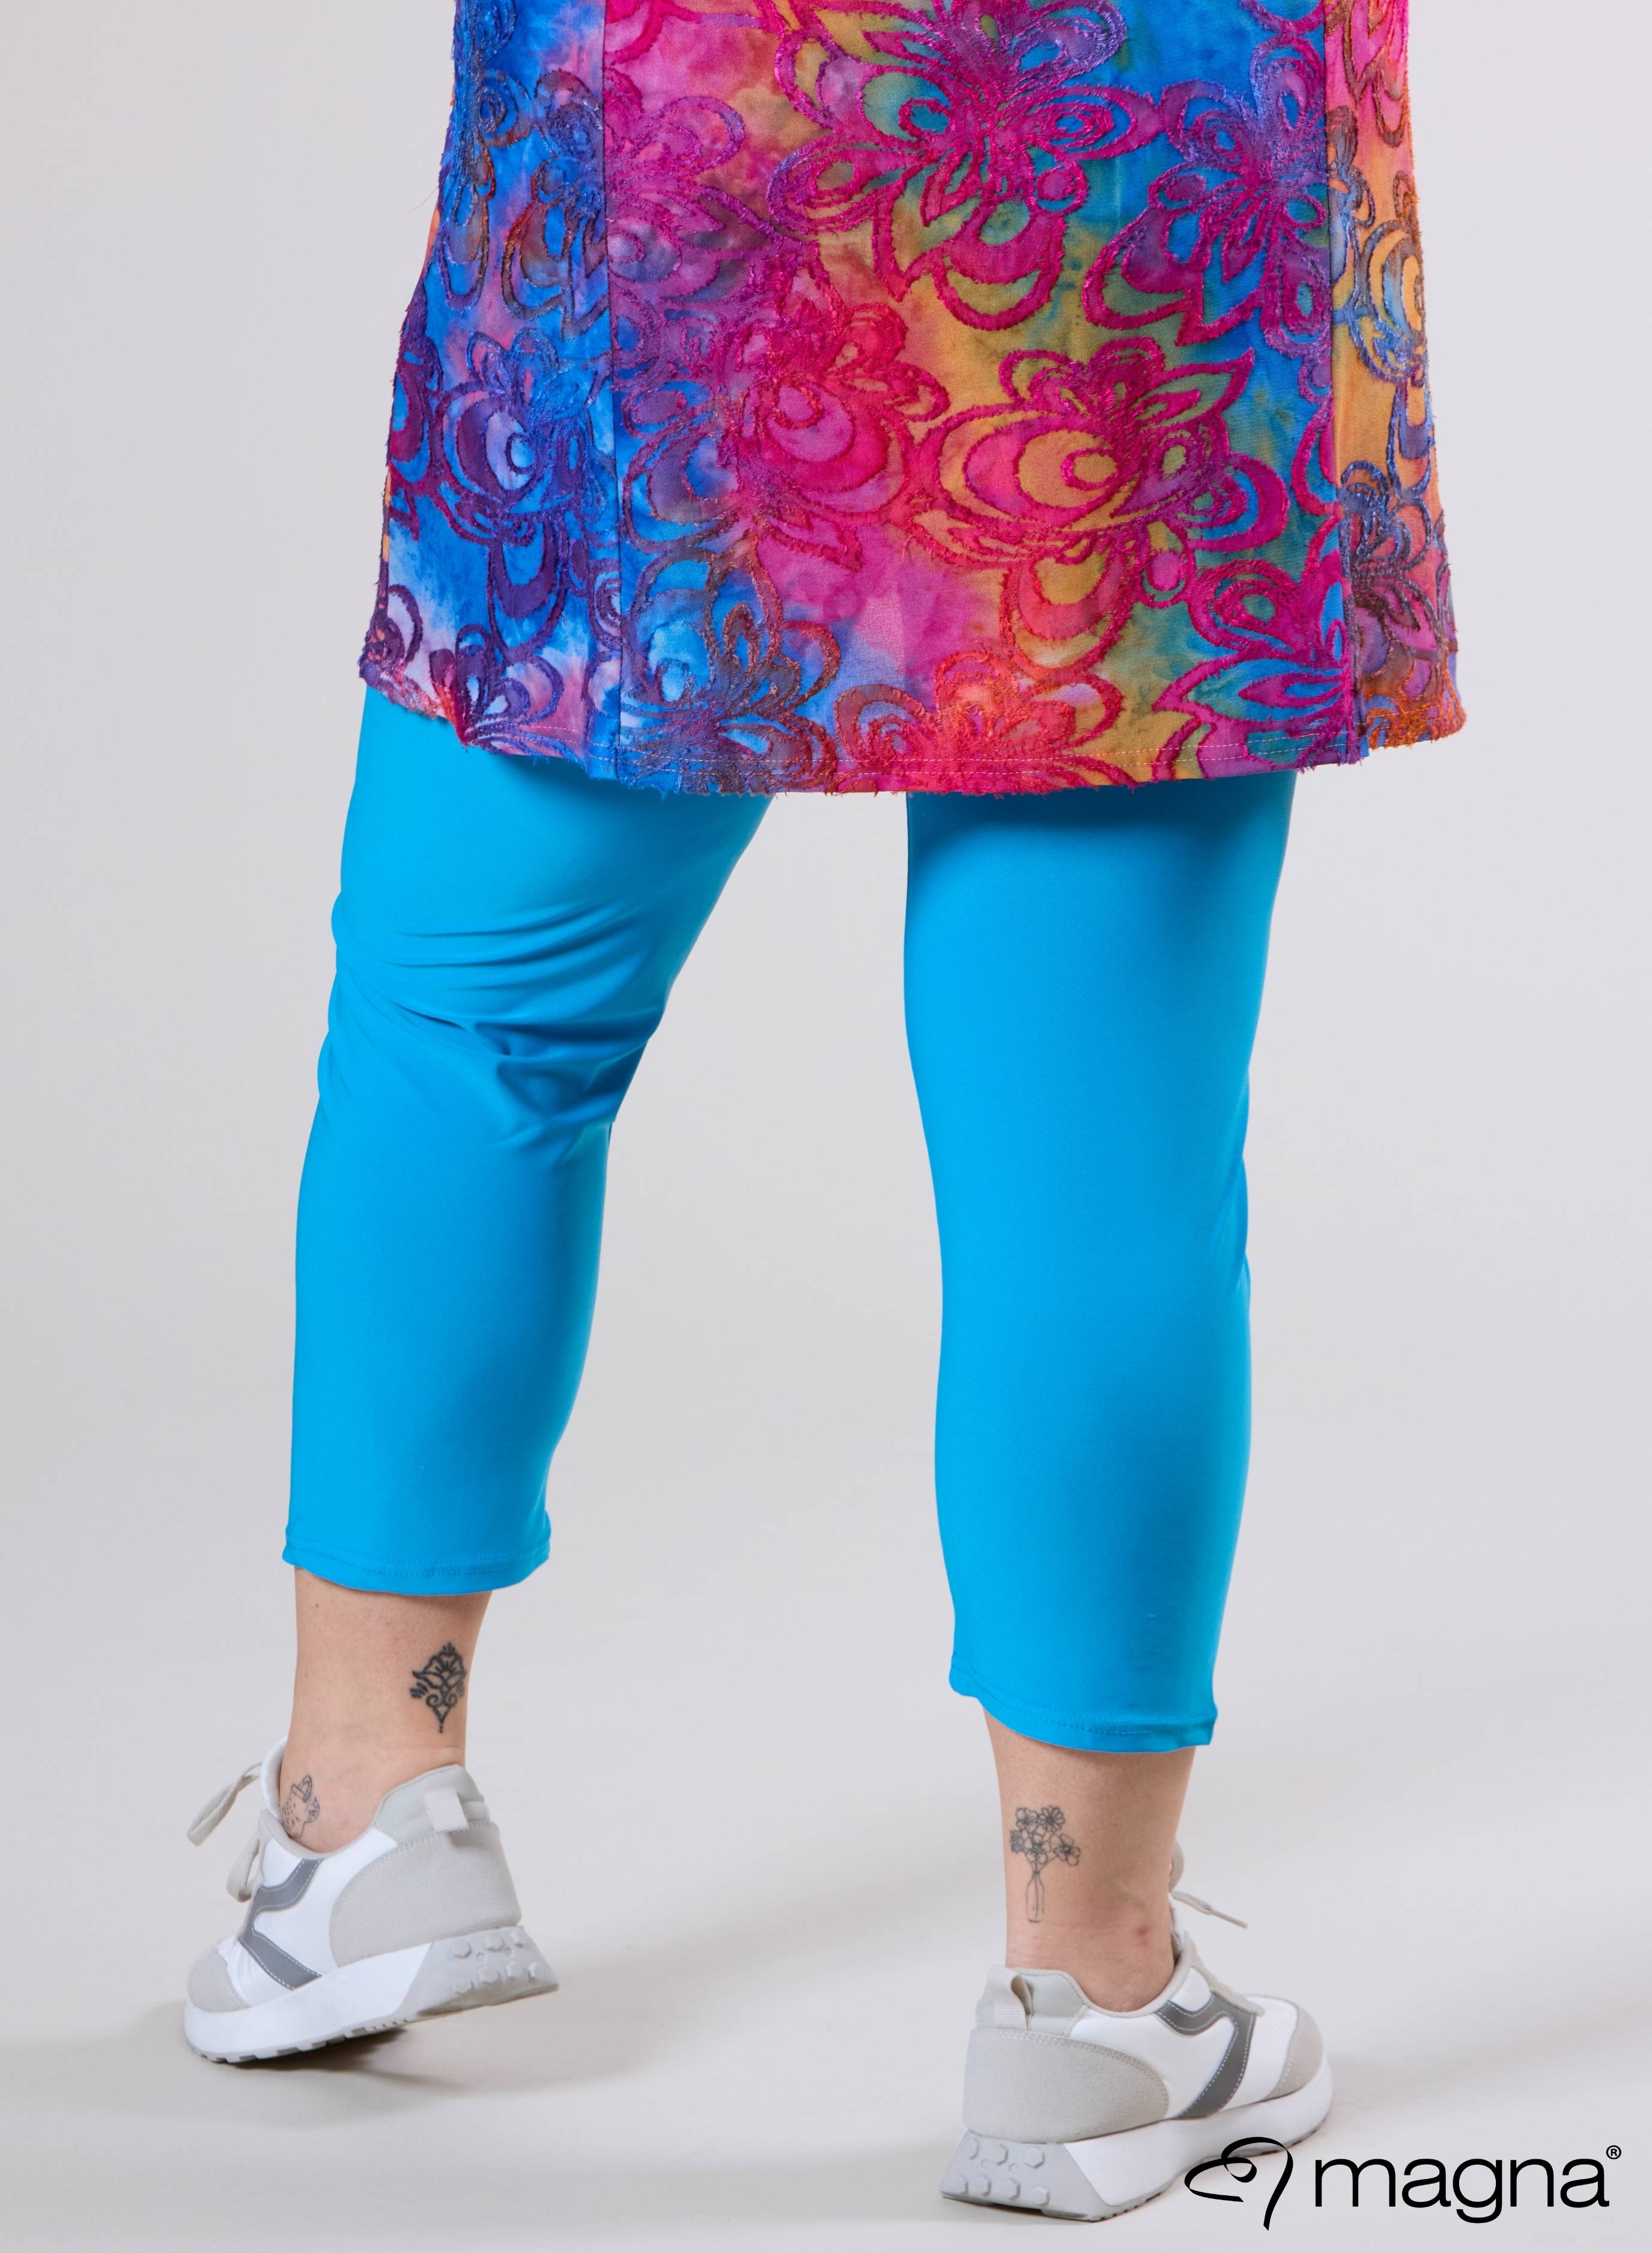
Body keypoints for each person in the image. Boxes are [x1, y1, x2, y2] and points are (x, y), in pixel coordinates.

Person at [183, 0, 1460, 2219]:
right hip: (1148, 143)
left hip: (679, 113)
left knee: (478, 1031)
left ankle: (367, 1817)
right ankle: (1094, 2000)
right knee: (1104, 1147)